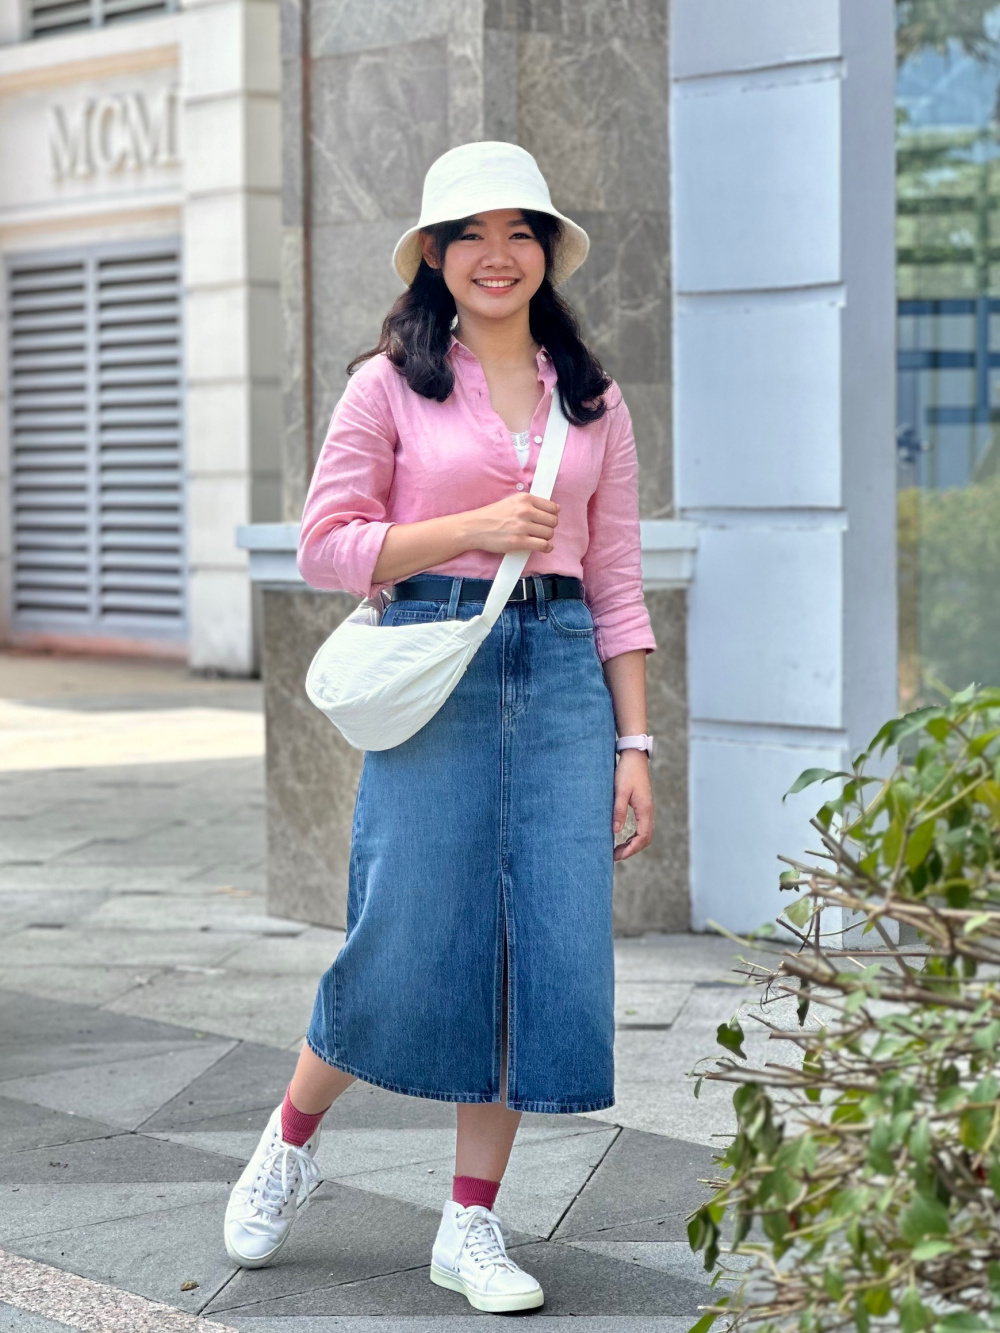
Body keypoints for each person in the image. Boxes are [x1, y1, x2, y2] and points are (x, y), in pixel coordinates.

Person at [223, 140, 657, 1314]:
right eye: (470, 234)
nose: (496, 254)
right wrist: (471, 524)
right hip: (437, 663)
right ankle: (290, 1138)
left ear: (545, 253)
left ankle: (469, 1223)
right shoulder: (390, 384)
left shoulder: (591, 400)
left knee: (532, 948)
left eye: (518, 232)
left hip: (564, 676)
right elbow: (328, 545)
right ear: (433, 255)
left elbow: (614, 580)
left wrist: (634, 746)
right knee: (404, 927)